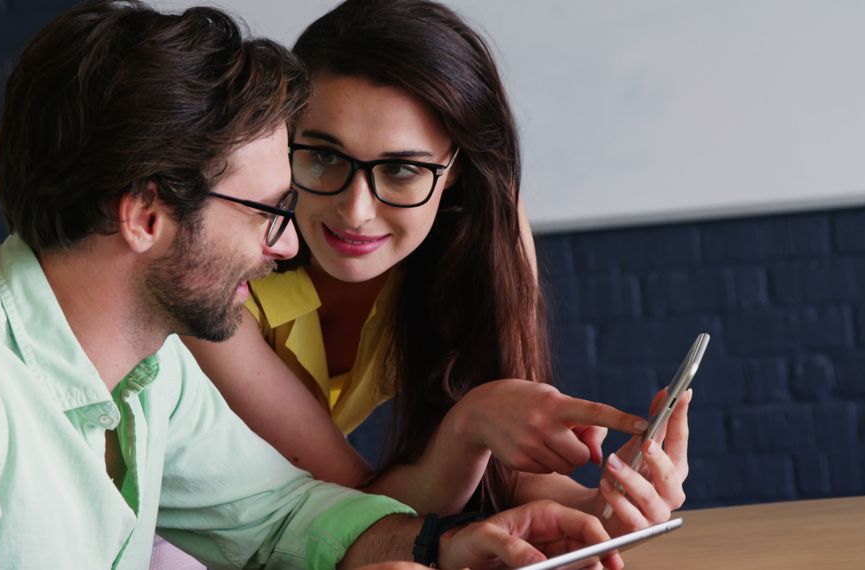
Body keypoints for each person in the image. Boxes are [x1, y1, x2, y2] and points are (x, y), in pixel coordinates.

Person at [0, 1, 629, 568]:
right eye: (266, 210)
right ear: (147, 214)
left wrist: (446, 548)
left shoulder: (154, 371)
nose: (287, 245)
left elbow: (287, 518)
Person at [184, 0, 691, 533]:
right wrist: (468, 427)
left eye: (402, 169)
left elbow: (502, 471)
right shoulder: (219, 269)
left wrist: (610, 500)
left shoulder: (477, 233)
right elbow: (355, 515)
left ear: (454, 170)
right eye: (324, 156)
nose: (356, 211)